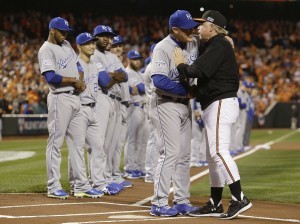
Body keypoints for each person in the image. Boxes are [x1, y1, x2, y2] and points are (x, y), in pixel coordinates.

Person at [174, 10, 252, 219]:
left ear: (213, 27)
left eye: (202, 24)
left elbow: (194, 71)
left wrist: (180, 63)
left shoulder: (219, 44)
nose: (198, 27)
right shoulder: (215, 44)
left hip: (220, 103)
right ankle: (215, 202)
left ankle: (239, 198)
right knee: (212, 156)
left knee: (218, 152)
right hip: (214, 103)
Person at [38, 17, 102, 199]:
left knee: (77, 144)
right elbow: (51, 77)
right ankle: (53, 185)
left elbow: (77, 65)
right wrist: (75, 81)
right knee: (55, 143)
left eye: (66, 31)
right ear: (52, 31)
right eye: (62, 31)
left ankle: (81, 185)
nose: (65, 34)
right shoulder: (46, 50)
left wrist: (80, 78)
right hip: (60, 98)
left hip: (75, 98)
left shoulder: (66, 45)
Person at [149, 10, 200, 217]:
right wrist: (187, 92)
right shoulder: (162, 47)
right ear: (175, 29)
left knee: (184, 155)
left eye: (192, 27)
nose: (192, 30)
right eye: (187, 28)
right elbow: (159, 81)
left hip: (184, 105)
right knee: (169, 153)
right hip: (165, 104)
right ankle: (159, 202)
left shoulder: (192, 43)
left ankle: (181, 200)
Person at [72, 32, 119, 195]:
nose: (92, 46)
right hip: (79, 109)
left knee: (98, 146)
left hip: (93, 108)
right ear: (79, 46)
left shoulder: (95, 63)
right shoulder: (75, 63)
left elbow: (105, 80)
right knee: (77, 148)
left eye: (93, 42)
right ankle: (76, 184)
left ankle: (99, 183)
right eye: (87, 43)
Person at [91, 25, 130, 191]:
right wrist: (115, 75)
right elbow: (104, 82)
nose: (107, 39)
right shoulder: (94, 55)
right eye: (103, 36)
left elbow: (125, 76)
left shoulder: (112, 57)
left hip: (115, 101)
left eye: (109, 36)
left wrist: (112, 75)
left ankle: (106, 178)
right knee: (100, 143)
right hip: (102, 98)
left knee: (111, 144)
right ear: (95, 38)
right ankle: (98, 181)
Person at [124, 50, 149, 179]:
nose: (137, 61)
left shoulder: (139, 73)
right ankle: (130, 167)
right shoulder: (128, 73)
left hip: (143, 108)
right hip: (134, 108)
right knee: (132, 139)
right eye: (134, 59)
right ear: (128, 59)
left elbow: (143, 88)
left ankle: (139, 166)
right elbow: (142, 89)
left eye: (139, 59)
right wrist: (147, 87)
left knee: (143, 140)